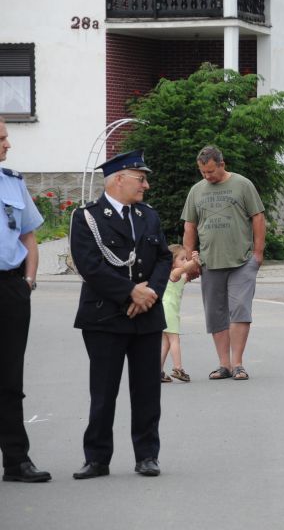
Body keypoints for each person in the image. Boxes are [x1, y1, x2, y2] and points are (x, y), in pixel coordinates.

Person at [70, 150, 172, 479]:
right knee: (103, 392)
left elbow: (163, 258)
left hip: (146, 315)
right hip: (104, 317)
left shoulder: (148, 216)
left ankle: (147, 455)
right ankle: (97, 458)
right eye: (140, 178)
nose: (146, 184)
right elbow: (90, 265)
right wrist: (130, 292)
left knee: (147, 391)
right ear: (118, 179)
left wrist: (150, 293)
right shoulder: (86, 217)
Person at [182, 146, 265, 382]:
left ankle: (238, 363)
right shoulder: (196, 191)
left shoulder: (242, 184)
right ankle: (224, 364)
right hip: (210, 262)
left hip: (241, 260)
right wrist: (190, 260)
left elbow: (258, 217)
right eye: (203, 172)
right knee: (215, 313)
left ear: (221, 164)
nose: (207, 176)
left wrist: (258, 254)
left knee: (240, 309)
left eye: (210, 171)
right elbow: (189, 226)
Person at [0, 118, 50, 484]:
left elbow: (29, 237)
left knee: (9, 378)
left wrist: (28, 281)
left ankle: (16, 461)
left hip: (11, 288)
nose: (8, 144)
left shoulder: (13, 183)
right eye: (2, 138)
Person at [160, 245, 201, 384]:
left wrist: (197, 264)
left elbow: (189, 275)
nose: (185, 261)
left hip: (166, 310)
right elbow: (184, 269)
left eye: (186, 258)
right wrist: (194, 261)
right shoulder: (173, 273)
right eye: (182, 258)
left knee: (166, 342)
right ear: (172, 262)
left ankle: (156, 370)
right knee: (174, 339)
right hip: (169, 309)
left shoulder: (178, 275)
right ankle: (178, 368)